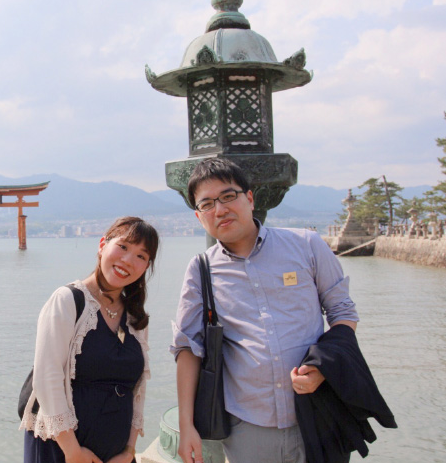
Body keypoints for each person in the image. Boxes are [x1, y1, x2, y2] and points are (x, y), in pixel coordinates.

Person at [170, 158, 359, 463]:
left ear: (249, 197)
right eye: (207, 204)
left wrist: (325, 366)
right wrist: (186, 425)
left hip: (318, 413)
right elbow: (188, 348)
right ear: (198, 215)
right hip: (247, 429)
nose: (219, 210)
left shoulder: (307, 245)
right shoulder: (200, 269)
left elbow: (342, 311)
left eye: (228, 196)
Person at [21, 216, 159, 463]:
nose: (128, 260)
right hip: (61, 451)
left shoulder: (136, 318)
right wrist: (73, 452)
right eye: (123, 247)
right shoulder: (68, 301)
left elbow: (137, 389)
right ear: (102, 245)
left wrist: (128, 451)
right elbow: (47, 377)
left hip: (116, 456)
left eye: (141, 256)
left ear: (146, 266)